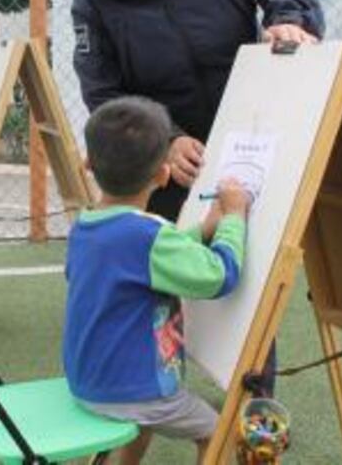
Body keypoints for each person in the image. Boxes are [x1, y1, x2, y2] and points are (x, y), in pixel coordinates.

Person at [63, 0, 323, 395]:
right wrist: (165, 141)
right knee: (154, 273)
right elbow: (102, 90)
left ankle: (255, 398)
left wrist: (289, 18)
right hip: (169, 152)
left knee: (249, 266)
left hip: (251, 130)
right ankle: (143, 388)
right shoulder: (91, 1)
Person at [62, 96, 251, 465]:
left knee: (142, 420)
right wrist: (234, 217)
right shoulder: (149, 237)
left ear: (88, 165)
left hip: (87, 382)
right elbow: (219, 275)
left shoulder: (84, 226)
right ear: (163, 174)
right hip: (133, 392)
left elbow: (140, 262)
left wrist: (202, 229)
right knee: (219, 432)